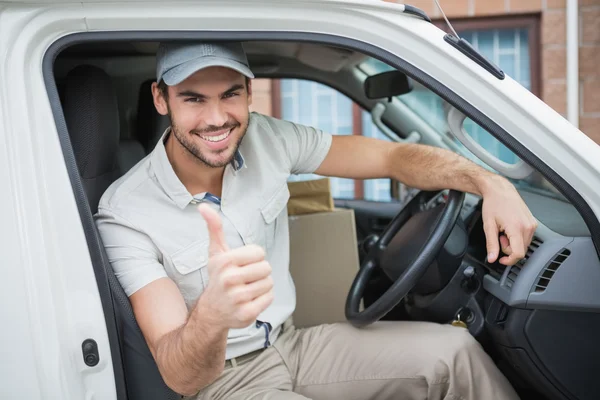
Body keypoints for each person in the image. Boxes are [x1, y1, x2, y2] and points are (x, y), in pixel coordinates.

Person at [95, 41, 536, 400]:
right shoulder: (126, 213)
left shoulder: (268, 137)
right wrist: (213, 314)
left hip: (292, 345)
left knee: (454, 352)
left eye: (229, 94)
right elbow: (180, 376)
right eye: (193, 99)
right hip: (222, 383)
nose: (216, 118)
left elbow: (391, 156)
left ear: (249, 92)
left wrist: (488, 183)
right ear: (161, 99)